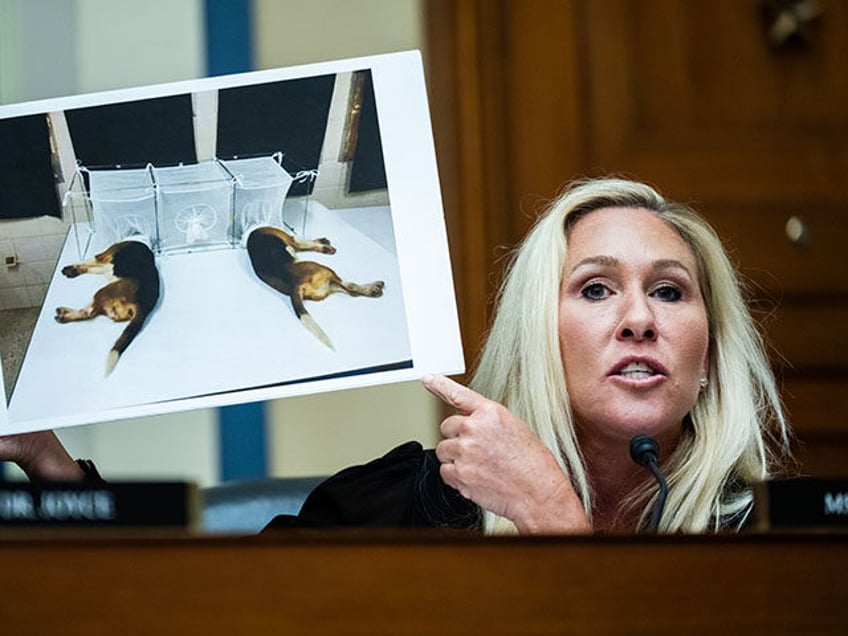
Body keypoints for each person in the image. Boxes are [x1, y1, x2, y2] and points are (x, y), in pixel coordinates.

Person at [0, 177, 793, 534]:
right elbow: (200, 615)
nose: (637, 319)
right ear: (534, 335)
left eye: (669, 291)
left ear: (710, 355)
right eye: (593, 290)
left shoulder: (780, 546)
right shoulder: (406, 505)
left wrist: (556, 527)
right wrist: (56, 472)